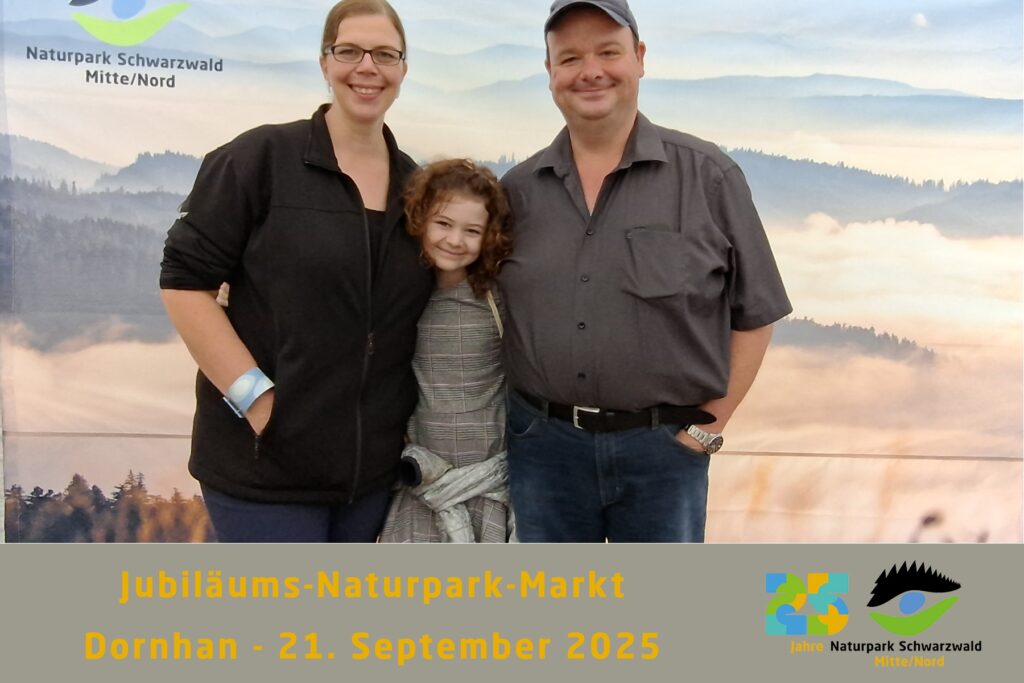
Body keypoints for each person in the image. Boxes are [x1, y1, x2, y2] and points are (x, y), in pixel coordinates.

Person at [498, 0, 793, 542]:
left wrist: (707, 431)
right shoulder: (517, 191)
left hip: (664, 454)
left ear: (639, 57)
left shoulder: (709, 177)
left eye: (608, 53)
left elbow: (757, 314)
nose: (590, 71)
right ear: (549, 72)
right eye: (570, 58)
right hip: (543, 453)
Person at [158, 0, 433, 542]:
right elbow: (185, 285)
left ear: (403, 69)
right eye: (349, 51)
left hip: (369, 480)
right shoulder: (259, 158)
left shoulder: (416, 189)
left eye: (385, 54)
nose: (367, 67)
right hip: (264, 471)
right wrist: (260, 405)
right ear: (324, 62)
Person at [379, 159, 514, 543]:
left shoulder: (498, 297)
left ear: (489, 236)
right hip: (423, 472)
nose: (455, 240)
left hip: (486, 475)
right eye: (443, 223)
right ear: (419, 219)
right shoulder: (400, 291)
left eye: (472, 231)